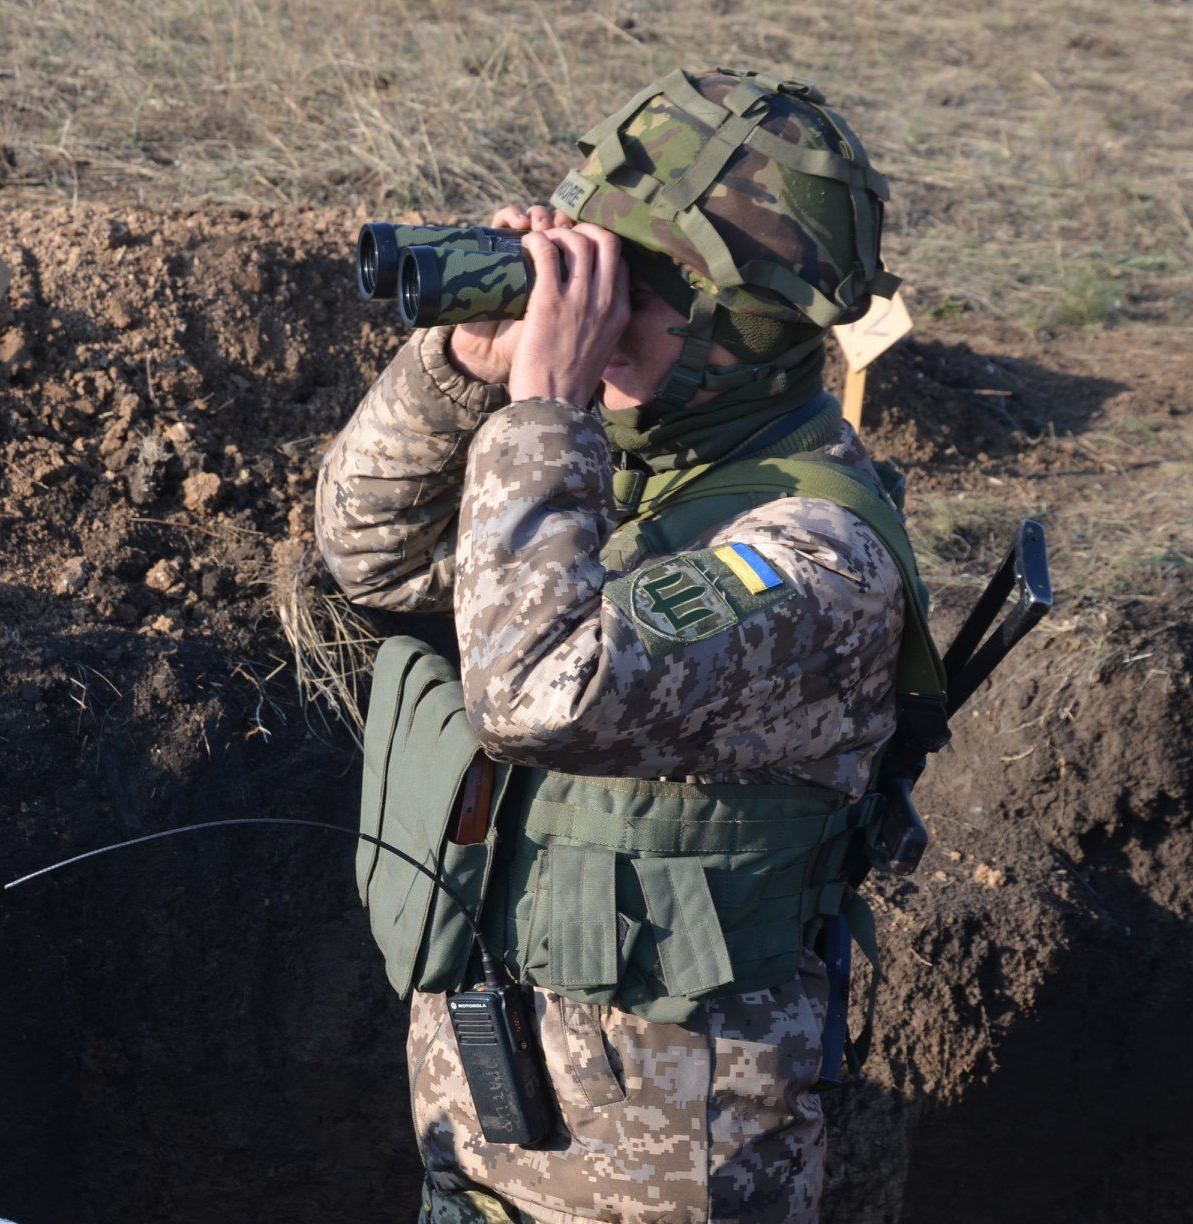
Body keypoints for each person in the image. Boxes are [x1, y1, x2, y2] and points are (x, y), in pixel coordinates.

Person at [317, 68, 929, 1223]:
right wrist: (463, 375)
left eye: (621, 286)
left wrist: (545, 414)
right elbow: (370, 555)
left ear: (728, 330)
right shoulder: (617, 476)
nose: (580, 305)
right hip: (490, 1142)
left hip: (661, 1183)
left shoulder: (814, 557)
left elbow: (540, 694)